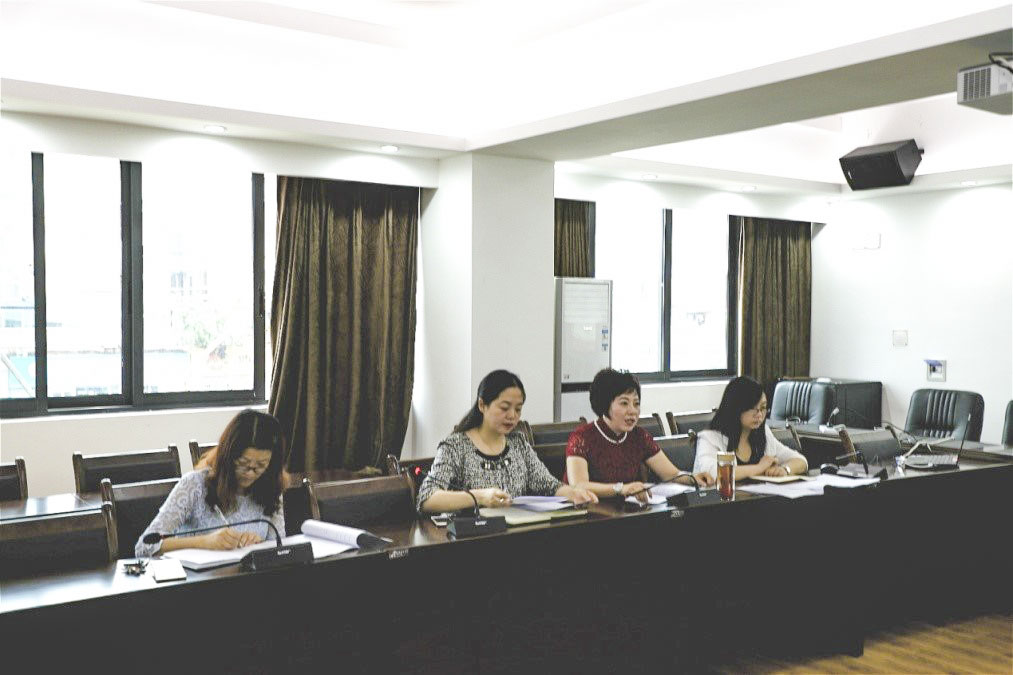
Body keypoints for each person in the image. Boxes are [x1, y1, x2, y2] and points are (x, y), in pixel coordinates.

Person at [417, 370, 597, 513]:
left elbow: (548, 485)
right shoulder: (455, 446)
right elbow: (427, 499)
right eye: (504, 408)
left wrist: (573, 493)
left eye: (518, 409)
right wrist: (479, 497)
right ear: (482, 405)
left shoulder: (518, 444)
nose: (512, 416)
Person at [136, 409, 289, 557]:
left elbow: (280, 548)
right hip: (196, 574)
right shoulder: (194, 485)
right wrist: (204, 542)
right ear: (228, 456)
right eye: (243, 463)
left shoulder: (271, 489)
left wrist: (259, 544)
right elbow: (144, 547)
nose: (250, 473)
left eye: (261, 465)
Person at [565, 368, 714, 502]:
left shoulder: (639, 436)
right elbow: (579, 485)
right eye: (624, 403)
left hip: (627, 510)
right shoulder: (582, 437)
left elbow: (671, 474)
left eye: (636, 404)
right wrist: (621, 489)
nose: (633, 411)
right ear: (605, 404)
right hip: (588, 511)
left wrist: (693, 478)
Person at [693, 376, 808, 479]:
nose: (759, 415)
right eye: (753, 408)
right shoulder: (709, 438)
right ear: (736, 408)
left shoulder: (763, 433)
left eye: (763, 408)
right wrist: (759, 468)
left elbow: (801, 461)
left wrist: (785, 469)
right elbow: (713, 473)